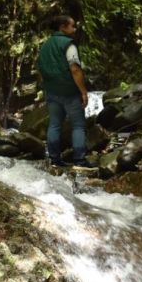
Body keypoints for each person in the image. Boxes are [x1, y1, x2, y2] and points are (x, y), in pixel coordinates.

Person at [37, 15, 94, 168]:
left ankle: (54, 160)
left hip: (51, 91)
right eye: (72, 26)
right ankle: (80, 160)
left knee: (54, 124)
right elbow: (75, 69)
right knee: (78, 125)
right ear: (63, 27)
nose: (74, 29)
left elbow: (40, 69)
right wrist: (83, 92)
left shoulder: (45, 45)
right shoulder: (69, 45)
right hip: (69, 92)